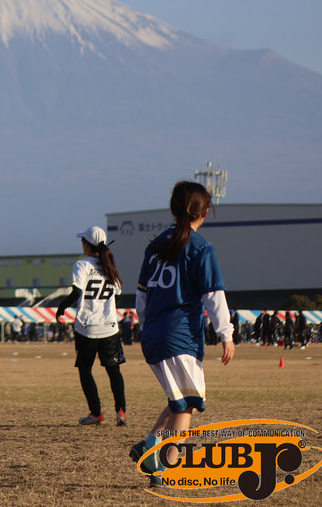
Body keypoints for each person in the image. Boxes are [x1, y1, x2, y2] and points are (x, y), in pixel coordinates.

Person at [130, 181, 235, 486]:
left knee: (178, 398)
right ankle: (161, 466)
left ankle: (149, 444)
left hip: (153, 336)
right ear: (205, 212)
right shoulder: (201, 248)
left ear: (173, 209)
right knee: (188, 403)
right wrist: (226, 334)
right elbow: (214, 296)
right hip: (180, 337)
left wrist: (149, 327)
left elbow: (141, 298)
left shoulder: (154, 247)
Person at [55, 226, 127, 427]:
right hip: (110, 327)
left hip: (86, 327)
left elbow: (77, 292)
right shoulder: (109, 265)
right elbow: (118, 296)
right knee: (114, 371)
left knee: (85, 370)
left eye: (82, 241)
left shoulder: (82, 265)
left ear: (87, 244)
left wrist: (61, 307)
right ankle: (121, 411)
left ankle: (96, 413)